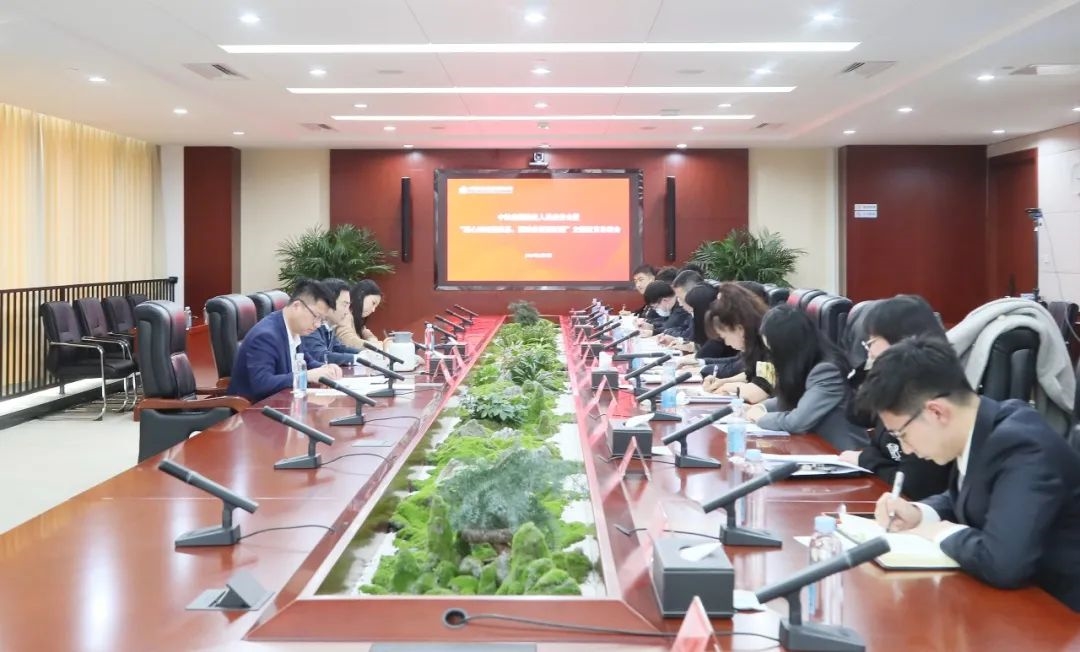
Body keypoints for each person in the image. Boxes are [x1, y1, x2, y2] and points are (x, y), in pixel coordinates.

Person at [862, 336, 1080, 611]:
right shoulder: (981, 428)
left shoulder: (1023, 446)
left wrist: (941, 532)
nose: (906, 449)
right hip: (1018, 603)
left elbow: (1004, 564)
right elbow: (969, 497)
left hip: (1061, 613)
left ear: (936, 412)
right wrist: (919, 514)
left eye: (902, 435)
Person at [838, 295, 953, 499]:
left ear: (901, 339)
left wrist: (866, 459)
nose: (868, 347)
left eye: (873, 340)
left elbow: (913, 485)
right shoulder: (896, 384)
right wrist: (872, 366)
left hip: (913, 505)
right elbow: (856, 414)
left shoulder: (928, 395)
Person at [745, 306, 870, 449]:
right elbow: (793, 399)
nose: (772, 356)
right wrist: (761, 407)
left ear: (787, 347)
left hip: (839, 453)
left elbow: (797, 422)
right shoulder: (809, 363)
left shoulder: (827, 371)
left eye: (773, 350)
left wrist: (760, 417)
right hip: (814, 447)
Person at [227, 278, 344, 403]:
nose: (317, 324)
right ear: (297, 306)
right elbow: (262, 384)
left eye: (322, 320)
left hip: (284, 404)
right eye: (316, 317)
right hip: (256, 410)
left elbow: (307, 361)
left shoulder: (294, 328)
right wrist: (307, 376)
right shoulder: (266, 336)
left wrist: (325, 369)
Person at [700, 283, 773, 404]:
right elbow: (752, 374)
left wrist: (726, 387)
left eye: (724, 336)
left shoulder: (769, 339)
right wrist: (723, 381)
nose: (726, 343)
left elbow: (760, 391)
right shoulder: (755, 341)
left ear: (739, 328)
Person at [300, 278, 363, 366]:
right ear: (328, 302)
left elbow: (337, 348)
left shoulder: (329, 325)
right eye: (344, 305)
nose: (347, 312)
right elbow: (320, 356)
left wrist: (363, 354)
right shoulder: (312, 324)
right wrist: (357, 359)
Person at [336, 279, 383, 348]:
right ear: (361, 294)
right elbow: (347, 340)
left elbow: (363, 330)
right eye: (373, 303)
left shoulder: (354, 316)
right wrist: (375, 346)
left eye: (375, 307)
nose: (373, 310)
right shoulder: (345, 313)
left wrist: (372, 339)